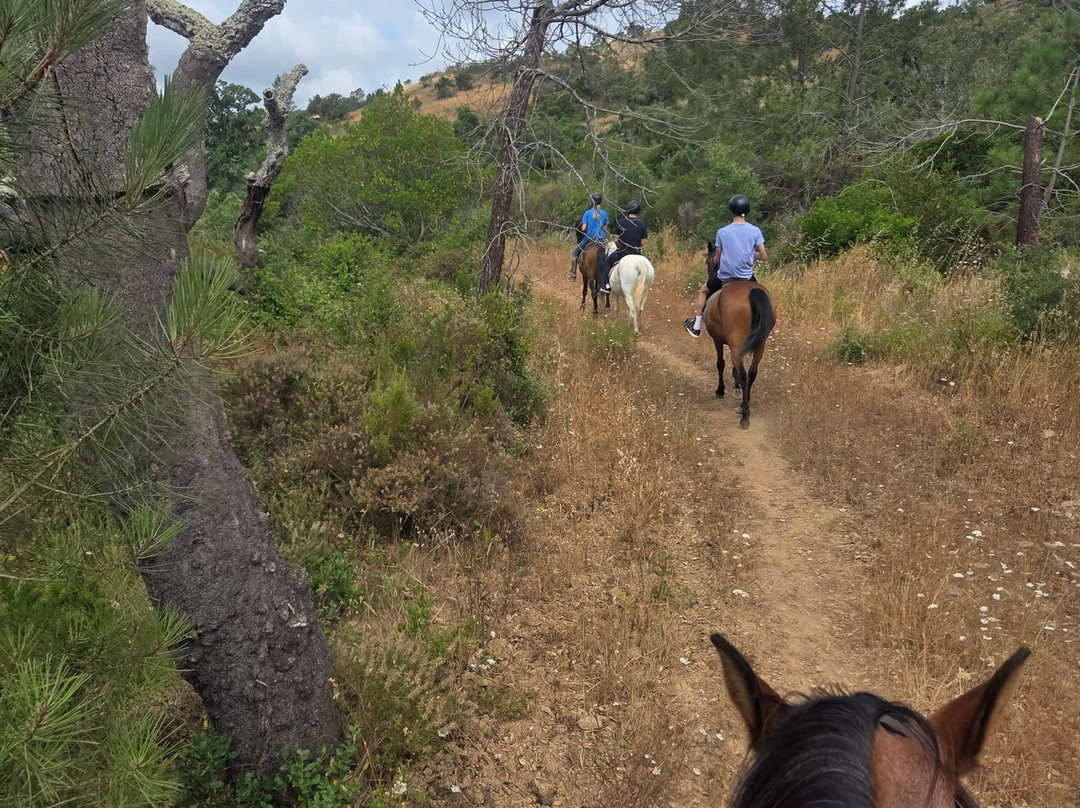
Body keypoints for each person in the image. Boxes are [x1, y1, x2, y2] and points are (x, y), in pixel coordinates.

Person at [684, 194, 767, 337]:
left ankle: (696, 326)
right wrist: (749, 253)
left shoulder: (722, 232)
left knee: (703, 291)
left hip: (725, 276)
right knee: (760, 295)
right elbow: (764, 256)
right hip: (747, 277)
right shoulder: (755, 231)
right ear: (747, 210)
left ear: (731, 210)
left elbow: (717, 259)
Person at [598, 200, 647, 294]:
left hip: (622, 253)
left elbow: (616, 239)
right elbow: (643, 243)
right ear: (638, 211)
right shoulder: (642, 224)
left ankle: (605, 285)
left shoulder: (621, 222)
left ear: (628, 210)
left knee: (607, 262)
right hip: (636, 253)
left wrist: (619, 244)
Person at [567, 192, 608, 280]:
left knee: (574, 254)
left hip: (588, 239)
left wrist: (586, 228)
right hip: (601, 241)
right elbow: (605, 228)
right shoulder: (604, 213)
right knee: (608, 257)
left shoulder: (587, 213)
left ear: (591, 202)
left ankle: (573, 274)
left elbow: (583, 228)